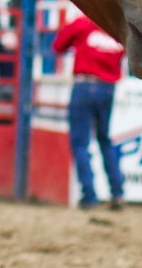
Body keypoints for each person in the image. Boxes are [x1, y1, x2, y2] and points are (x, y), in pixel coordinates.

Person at [52, 12, 125, 210]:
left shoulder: (83, 23)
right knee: (104, 139)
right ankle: (117, 192)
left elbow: (58, 45)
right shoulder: (118, 26)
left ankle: (89, 195)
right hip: (107, 88)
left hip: (84, 86)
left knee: (80, 142)